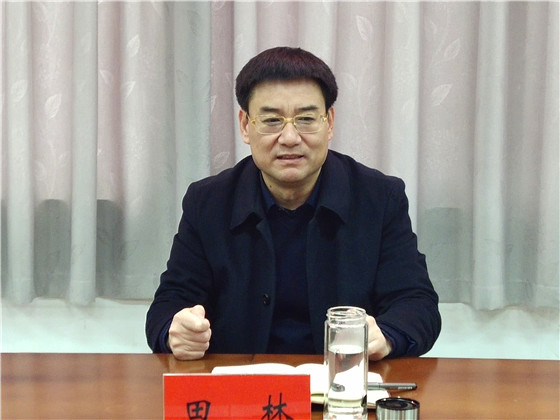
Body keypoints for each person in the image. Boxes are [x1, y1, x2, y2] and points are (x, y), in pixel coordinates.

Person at [146, 46, 441, 361]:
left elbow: (417, 303)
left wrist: (386, 335)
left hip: (341, 381)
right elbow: (169, 304)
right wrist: (177, 330)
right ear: (245, 125)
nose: (289, 137)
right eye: (272, 120)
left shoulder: (379, 198)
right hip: (241, 383)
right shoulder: (208, 203)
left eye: (306, 119)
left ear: (329, 123)